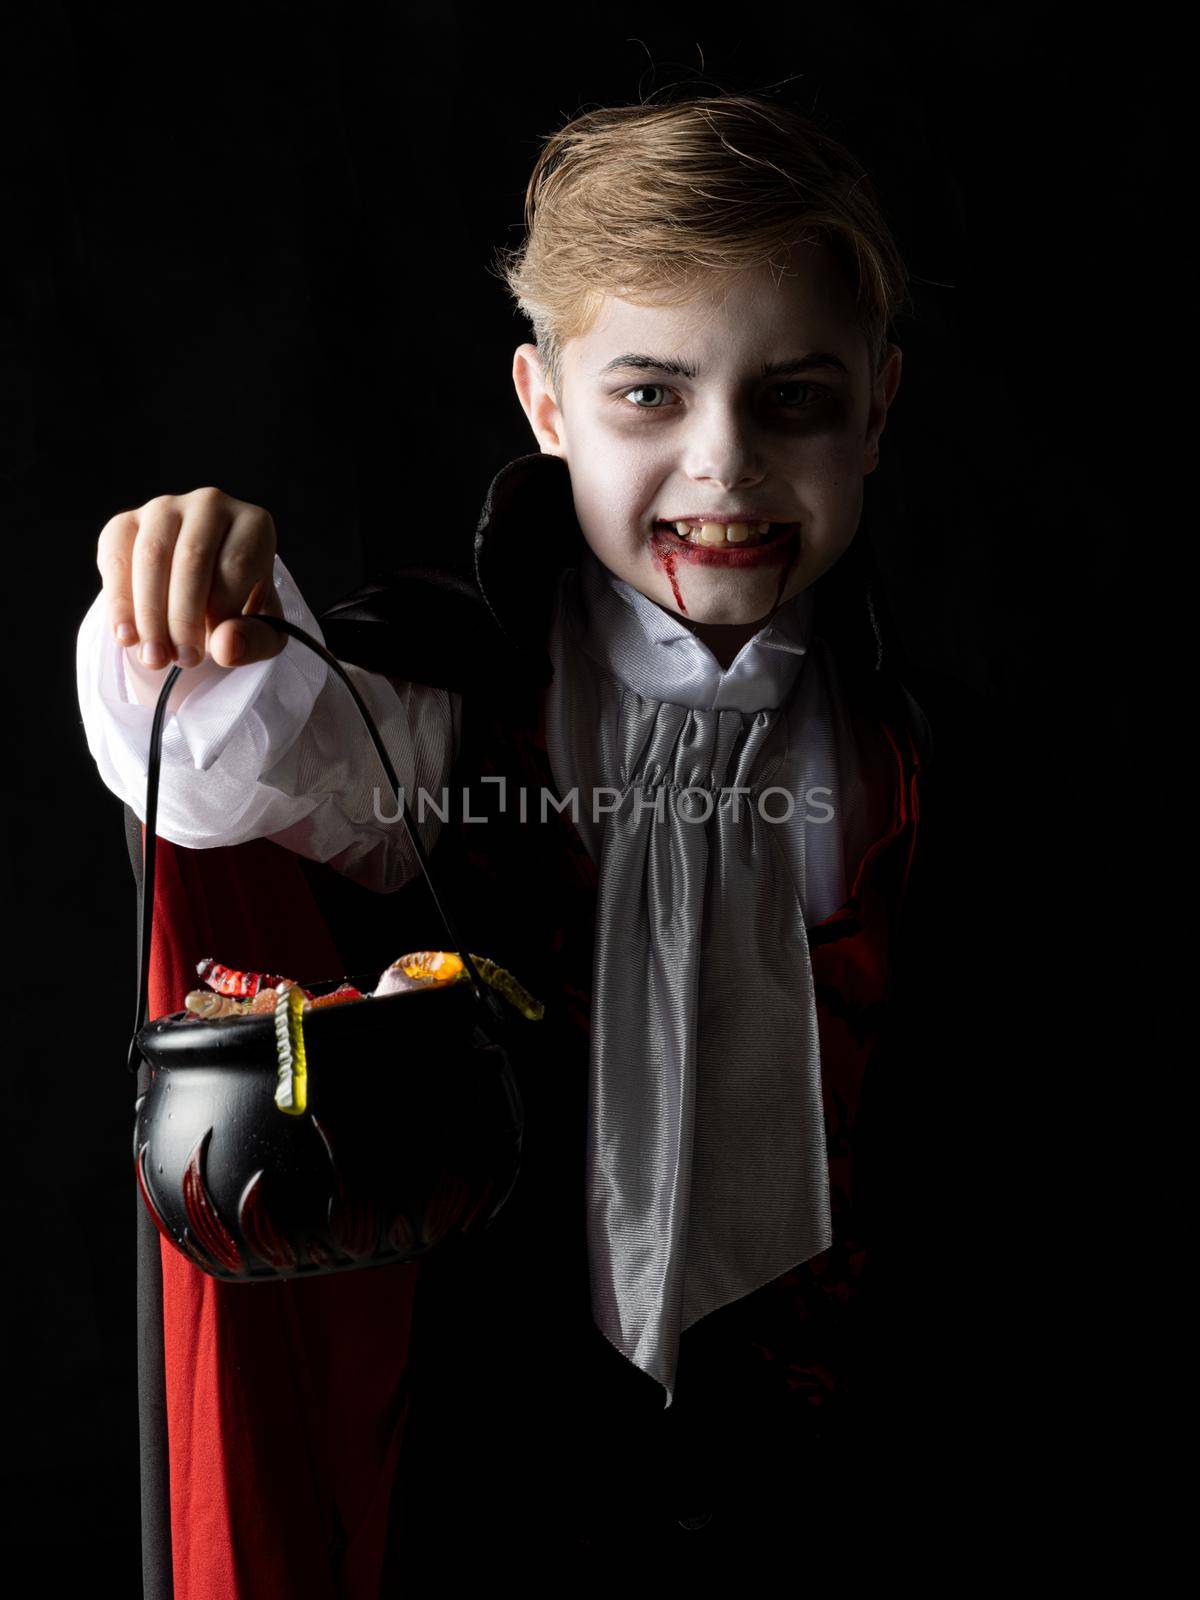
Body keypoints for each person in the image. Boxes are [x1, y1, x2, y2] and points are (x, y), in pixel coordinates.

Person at [78, 91, 1003, 1594]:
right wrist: (179, 607)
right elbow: (223, 765)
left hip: (859, 1497)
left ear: (879, 410)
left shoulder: (927, 751)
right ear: (546, 403)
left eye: (793, 400)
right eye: (650, 394)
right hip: (504, 1501)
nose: (725, 465)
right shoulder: (446, 712)